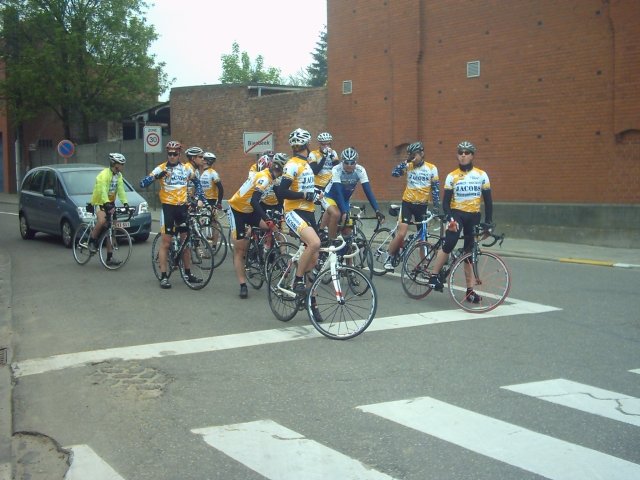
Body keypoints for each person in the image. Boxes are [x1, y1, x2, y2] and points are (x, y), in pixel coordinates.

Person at [427, 141, 493, 303]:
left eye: (467, 152)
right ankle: (433, 276)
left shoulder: (481, 175)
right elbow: (445, 203)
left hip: (474, 216)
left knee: (469, 253)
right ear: (457, 155)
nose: (463, 155)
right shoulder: (452, 176)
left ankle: (470, 291)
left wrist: (488, 223)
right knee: (450, 242)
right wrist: (450, 219)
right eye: (460, 152)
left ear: (472, 155)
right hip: (457, 214)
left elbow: (489, 201)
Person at [140, 140, 207, 289]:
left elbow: (197, 183)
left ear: (179, 154)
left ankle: (188, 273)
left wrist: (201, 200)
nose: (171, 156)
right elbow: (142, 183)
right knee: (166, 243)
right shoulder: (160, 168)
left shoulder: (185, 169)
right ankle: (164, 276)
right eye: (169, 153)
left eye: (174, 154)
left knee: (186, 243)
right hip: (168, 209)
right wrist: (156, 177)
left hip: (182, 209)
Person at [227, 154, 286, 299]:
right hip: (237, 210)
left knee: (273, 229)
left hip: (250, 211)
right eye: (279, 171)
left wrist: (277, 217)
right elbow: (254, 200)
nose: (280, 174)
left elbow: (280, 196)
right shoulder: (264, 177)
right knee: (240, 250)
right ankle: (242, 285)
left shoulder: (273, 179)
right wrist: (266, 218)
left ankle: (257, 246)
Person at [277, 128, 322, 297]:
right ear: (308, 144)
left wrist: (316, 195)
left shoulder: (307, 165)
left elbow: (307, 189)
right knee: (315, 243)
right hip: (293, 212)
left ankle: (311, 301)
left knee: (314, 259)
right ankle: (298, 279)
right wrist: (304, 195)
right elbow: (282, 192)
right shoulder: (292, 164)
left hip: (309, 212)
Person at [384, 141, 440, 271]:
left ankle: (423, 266)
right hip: (408, 204)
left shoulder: (432, 168)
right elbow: (394, 173)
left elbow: (435, 189)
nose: (413, 157)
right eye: (410, 155)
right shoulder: (408, 166)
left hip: (422, 206)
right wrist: (406, 161)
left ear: (422, 154)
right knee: (402, 233)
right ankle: (389, 256)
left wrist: (436, 208)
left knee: (422, 238)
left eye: (414, 154)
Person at [322, 147, 385, 241]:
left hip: (345, 199)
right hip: (330, 196)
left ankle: (347, 253)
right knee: (336, 214)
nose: (349, 165)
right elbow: (338, 192)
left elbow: (368, 191)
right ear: (342, 162)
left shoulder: (360, 170)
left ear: (356, 162)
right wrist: (344, 212)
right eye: (346, 162)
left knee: (348, 230)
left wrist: (377, 210)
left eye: (352, 163)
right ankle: (332, 244)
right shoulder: (336, 169)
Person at [87, 153, 129, 266]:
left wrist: (125, 203)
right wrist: (106, 203)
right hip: (100, 201)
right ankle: (91, 241)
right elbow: (102, 191)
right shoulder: (103, 175)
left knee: (112, 229)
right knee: (101, 221)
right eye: (121, 164)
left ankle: (109, 258)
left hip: (110, 203)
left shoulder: (119, 176)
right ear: (115, 164)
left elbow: (120, 190)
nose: (123, 166)